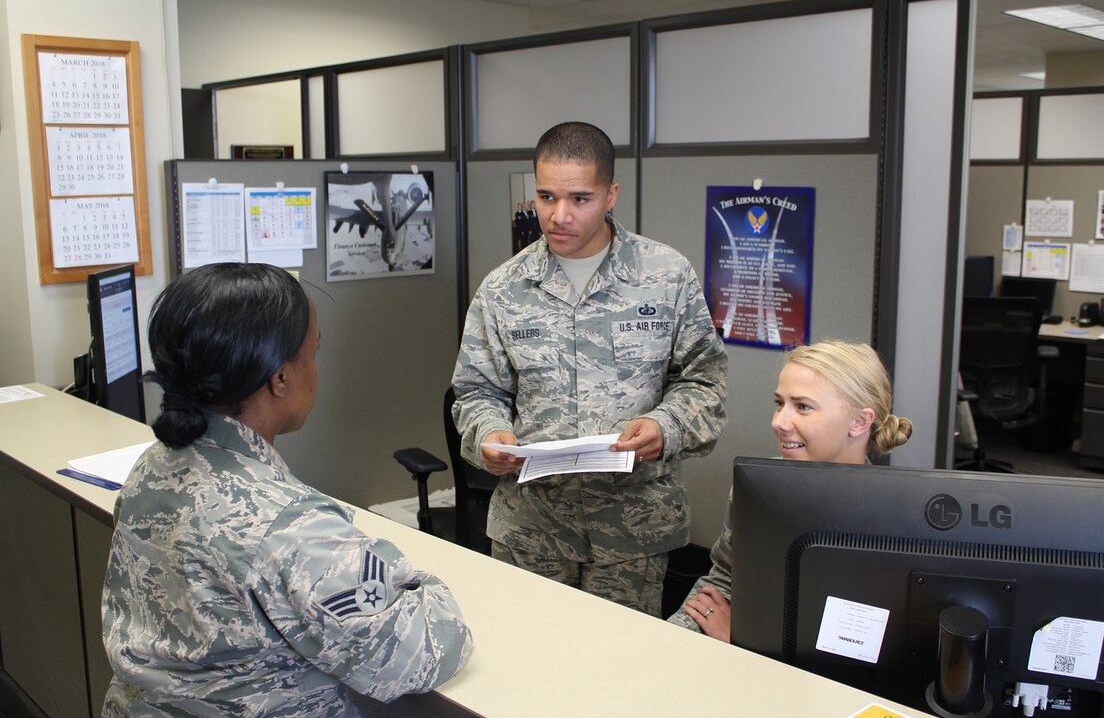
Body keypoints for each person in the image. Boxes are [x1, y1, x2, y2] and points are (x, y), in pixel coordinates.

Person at [101, 263, 472, 717]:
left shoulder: (153, 465)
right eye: (312, 352)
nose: (315, 369)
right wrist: (414, 583)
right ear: (280, 378)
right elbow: (422, 653)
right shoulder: (287, 526)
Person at [451, 121, 728, 616]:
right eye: (546, 196)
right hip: (532, 527)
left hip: (633, 528)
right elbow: (474, 391)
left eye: (580, 198)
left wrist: (665, 427)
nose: (559, 216)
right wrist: (489, 433)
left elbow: (704, 381)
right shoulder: (503, 289)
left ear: (611, 194)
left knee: (622, 675)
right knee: (527, 668)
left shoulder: (665, 276)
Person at [668, 340, 913, 640]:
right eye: (779, 403)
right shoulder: (758, 488)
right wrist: (675, 640)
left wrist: (746, 639)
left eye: (803, 407)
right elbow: (724, 579)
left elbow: (854, 647)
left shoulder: (890, 518)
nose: (779, 422)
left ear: (860, 421)